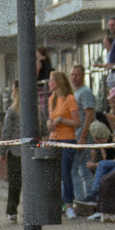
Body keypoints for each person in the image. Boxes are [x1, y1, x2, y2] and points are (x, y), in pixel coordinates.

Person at [46, 70, 81, 218]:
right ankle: (57, 203)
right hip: (54, 139)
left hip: (67, 139)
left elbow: (77, 122)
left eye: (51, 80)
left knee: (65, 173)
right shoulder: (52, 99)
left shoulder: (69, 99)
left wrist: (62, 120)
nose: (49, 83)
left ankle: (69, 204)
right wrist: (50, 123)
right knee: (53, 174)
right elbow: (51, 118)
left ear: (58, 82)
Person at [70, 64, 98, 202]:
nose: (74, 77)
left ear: (83, 76)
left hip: (83, 137)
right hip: (77, 136)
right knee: (83, 169)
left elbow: (89, 114)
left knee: (75, 169)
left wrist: (83, 137)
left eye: (77, 75)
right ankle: (88, 198)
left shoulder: (85, 92)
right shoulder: (75, 93)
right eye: (72, 74)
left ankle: (82, 199)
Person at [0, 80, 24, 222]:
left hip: (15, 151)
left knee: (14, 183)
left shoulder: (12, 110)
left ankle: (12, 210)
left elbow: (7, 132)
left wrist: (2, 151)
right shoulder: (36, 109)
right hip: (30, 150)